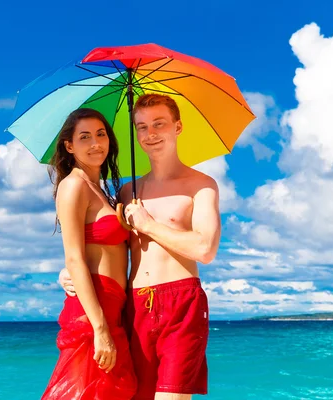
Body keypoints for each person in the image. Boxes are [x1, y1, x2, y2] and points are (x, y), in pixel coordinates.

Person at [59, 94, 221, 400]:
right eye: (142, 127)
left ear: (178, 127)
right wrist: (68, 271)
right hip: (132, 307)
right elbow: (101, 242)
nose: (151, 134)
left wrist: (148, 225)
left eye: (159, 124)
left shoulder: (201, 184)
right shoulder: (125, 191)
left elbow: (205, 249)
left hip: (181, 301)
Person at [41, 108, 137, 400]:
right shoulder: (73, 186)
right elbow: (73, 258)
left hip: (113, 306)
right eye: (85, 137)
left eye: (101, 134)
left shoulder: (103, 191)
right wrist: (100, 328)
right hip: (93, 310)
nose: (96, 143)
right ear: (69, 146)